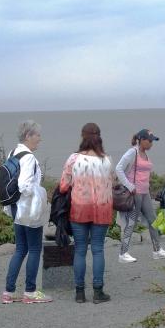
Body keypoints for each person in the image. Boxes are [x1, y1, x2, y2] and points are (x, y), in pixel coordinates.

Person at [59, 123, 113, 303]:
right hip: (102, 209)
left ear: (82, 136)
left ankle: (80, 293)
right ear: (99, 137)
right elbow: (111, 182)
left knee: (80, 250)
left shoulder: (73, 159)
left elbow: (63, 186)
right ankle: (98, 292)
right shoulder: (107, 160)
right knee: (98, 249)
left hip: (80, 208)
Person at [2, 120, 52, 303]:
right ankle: (30, 292)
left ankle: (9, 292)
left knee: (20, 249)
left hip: (16, 209)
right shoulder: (29, 157)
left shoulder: (12, 153)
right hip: (29, 210)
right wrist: (39, 193)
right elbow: (24, 185)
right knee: (35, 249)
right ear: (28, 136)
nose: (40, 139)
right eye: (37, 135)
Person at [115, 128, 165, 263]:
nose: (151, 143)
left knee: (153, 220)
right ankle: (123, 253)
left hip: (145, 193)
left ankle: (157, 250)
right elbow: (118, 168)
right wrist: (129, 186)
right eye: (149, 141)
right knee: (131, 222)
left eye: (152, 141)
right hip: (134, 194)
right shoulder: (132, 152)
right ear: (141, 140)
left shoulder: (145, 154)